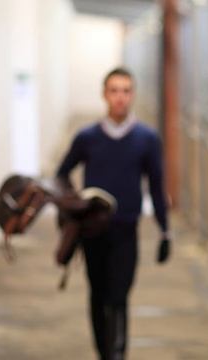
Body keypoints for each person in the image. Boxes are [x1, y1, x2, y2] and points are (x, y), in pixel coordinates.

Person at [56, 67, 170, 360]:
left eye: (126, 91)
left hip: (125, 231)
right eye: (114, 91)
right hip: (93, 231)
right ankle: (104, 353)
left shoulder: (146, 139)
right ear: (104, 95)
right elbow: (62, 174)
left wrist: (164, 230)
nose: (120, 97)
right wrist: (75, 202)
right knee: (97, 296)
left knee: (118, 297)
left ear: (132, 95)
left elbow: (156, 186)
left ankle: (117, 355)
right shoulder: (87, 137)